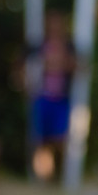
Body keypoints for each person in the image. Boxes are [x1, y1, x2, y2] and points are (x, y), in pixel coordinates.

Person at [30, 11, 75, 181]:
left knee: (61, 139)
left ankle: (61, 177)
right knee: (42, 140)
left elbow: (75, 66)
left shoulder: (69, 46)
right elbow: (27, 65)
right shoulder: (39, 45)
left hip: (62, 99)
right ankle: (44, 177)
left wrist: (56, 63)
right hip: (42, 98)